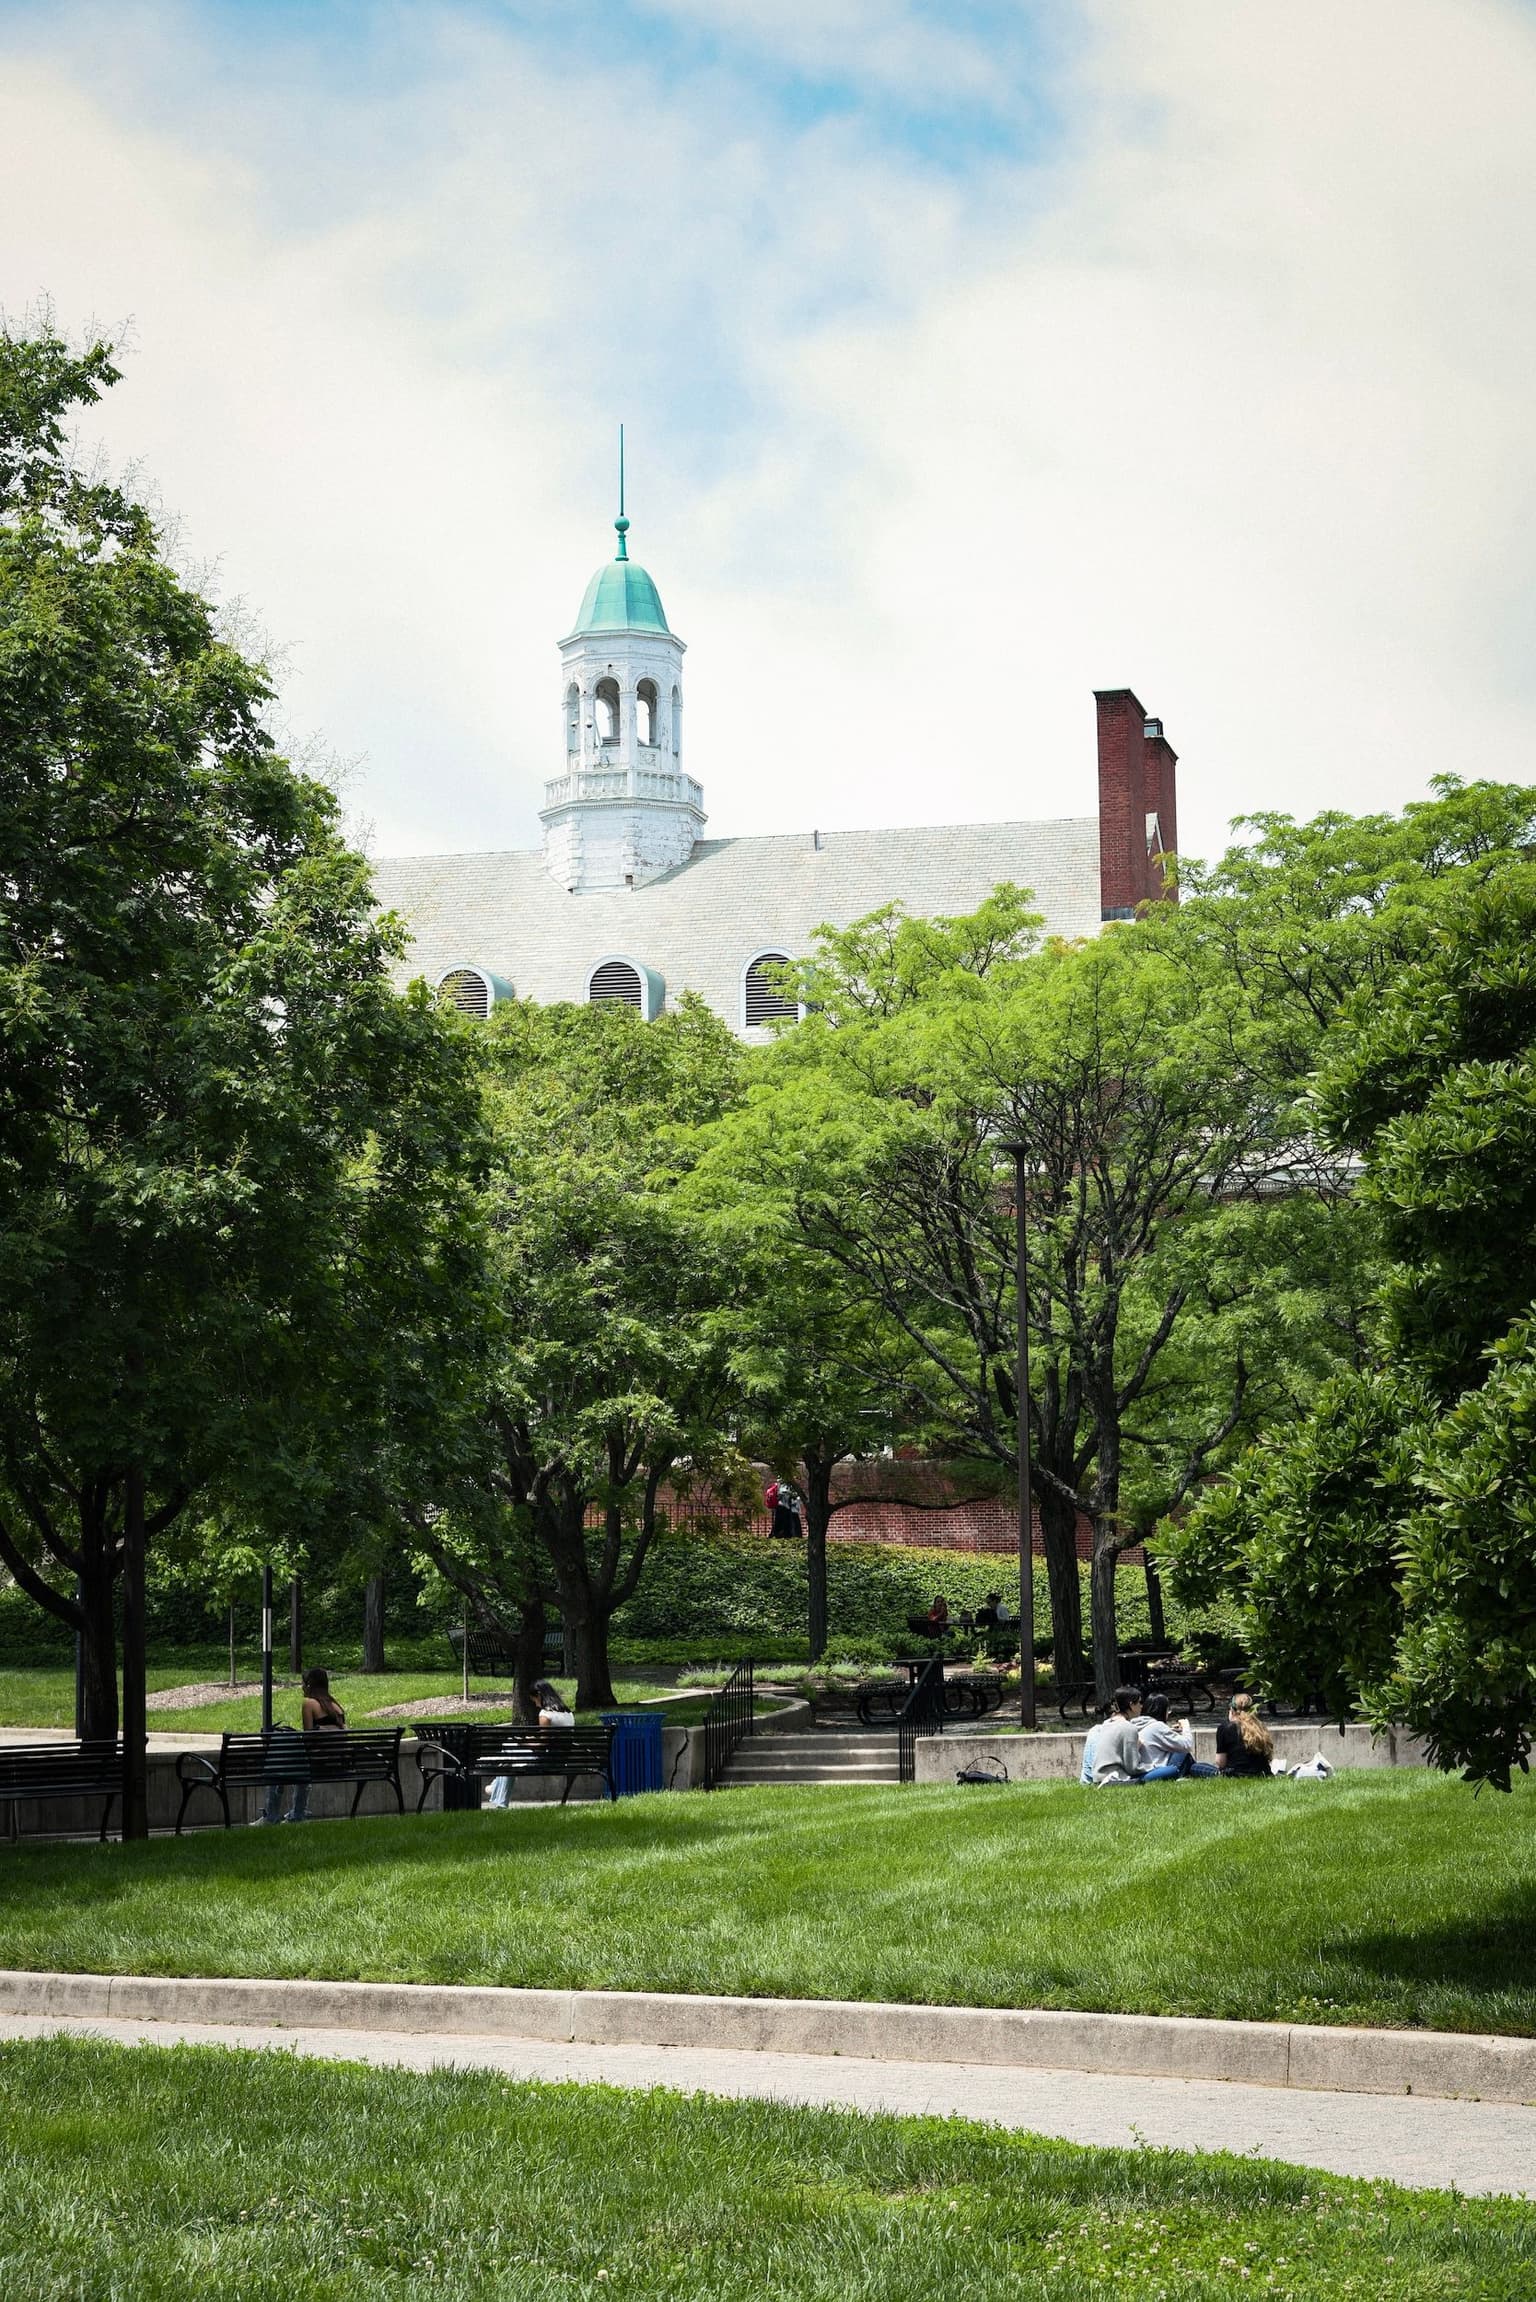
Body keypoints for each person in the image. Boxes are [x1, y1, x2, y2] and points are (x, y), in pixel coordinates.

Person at [258, 1667, 345, 1825]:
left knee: (278, 1760)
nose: (301, 1687)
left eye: (303, 1683)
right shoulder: (335, 1705)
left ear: (309, 1685)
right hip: (336, 1760)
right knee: (290, 1761)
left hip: (316, 1762)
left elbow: (308, 1737)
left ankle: (272, 1816)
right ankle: (296, 1813)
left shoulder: (309, 1704)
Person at [488, 1679, 576, 1809]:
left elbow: (542, 1745)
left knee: (509, 1745)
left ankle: (497, 1794)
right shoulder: (569, 1714)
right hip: (561, 1759)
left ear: (539, 1695)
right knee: (509, 1760)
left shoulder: (545, 1715)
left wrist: (524, 1741)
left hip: (545, 1761)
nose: (535, 1704)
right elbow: (549, 1740)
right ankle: (496, 1791)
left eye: (534, 1700)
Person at [1137, 1692, 1216, 1781]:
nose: (1169, 1713)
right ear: (1162, 1711)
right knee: (1182, 1752)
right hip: (1161, 1769)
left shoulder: (1138, 1724)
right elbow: (1187, 1745)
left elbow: (1155, 1737)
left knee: (1189, 1764)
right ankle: (1217, 1772)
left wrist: (1171, 1731)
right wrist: (1186, 1726)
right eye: (1168, 1710)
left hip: (1147, 1769)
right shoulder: (1157, 1726)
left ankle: (1214, 1773)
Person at [1090, 1686, 1148, 1784]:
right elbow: (1133, 1768)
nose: (1141, 1706)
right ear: (1131, 1705)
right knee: (1169, 1770)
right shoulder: (1129, 1728)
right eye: (1139, 1702)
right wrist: (1149, 1767)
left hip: (1098, 1777)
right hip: (1116, 1777)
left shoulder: (1107, 1723)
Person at [1215, 1691, 1276, 1778]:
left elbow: (1220, 1763)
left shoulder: (1225, 1728)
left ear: (1232, 1710)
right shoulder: (1259, 1727)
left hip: (1235, 1774)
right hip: (1263, 1773)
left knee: (1196, 1767)